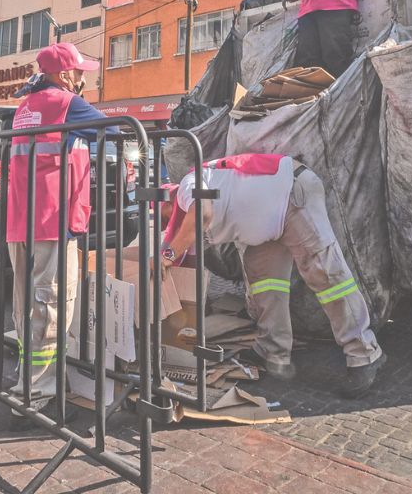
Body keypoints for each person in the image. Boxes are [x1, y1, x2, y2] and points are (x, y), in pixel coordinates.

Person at [163, 154, 386, 399]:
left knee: (326, 274)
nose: (164, 224)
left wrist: (167, 254)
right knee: (263, 279)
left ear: (167, 201)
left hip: (291, 196)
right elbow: (188, 270)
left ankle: (364, 353)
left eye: (162, 218)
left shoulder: (188, 185)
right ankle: (273, 350)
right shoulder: (185, 225)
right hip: (269, 222)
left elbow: (202, 213)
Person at [5, 42, 113, 423]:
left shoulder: (27, 105)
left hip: (22, 221)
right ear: (67, 74)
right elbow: (113, 129)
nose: (85, 78)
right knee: (49, 307)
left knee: (27, 307)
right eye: (81, 71)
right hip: (51, 222)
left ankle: (31, 381)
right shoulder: (65, 102)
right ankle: (35, 394)